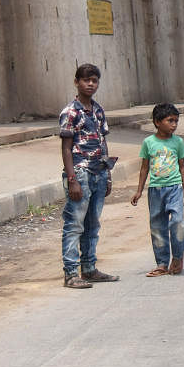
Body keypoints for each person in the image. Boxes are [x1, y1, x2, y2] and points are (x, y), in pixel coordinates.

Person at [58, 63, 119, 289]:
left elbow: (103, 141)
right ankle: (71, 273)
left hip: (99, 173)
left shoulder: (98, 110)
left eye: (94, 80)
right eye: (86, 80)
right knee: (75, 224)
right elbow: (66, 148)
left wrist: (108, 175)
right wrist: (72, 179)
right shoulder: (70, 112)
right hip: (80, 173)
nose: (90, 84)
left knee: (93, 224)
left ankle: (89, 268)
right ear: (77, 82)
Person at [131, 103, 184, 277]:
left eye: (176, 121)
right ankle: (162, 263)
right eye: (170, 120)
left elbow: (182, 166)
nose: (174, 124)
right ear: (157, 122)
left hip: (175, 188)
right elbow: (144, 168)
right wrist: (139, 190)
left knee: (178, 223)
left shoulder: (178, 142)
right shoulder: (148, 142)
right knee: (157, 227)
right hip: (155, 190)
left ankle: (177, 257)